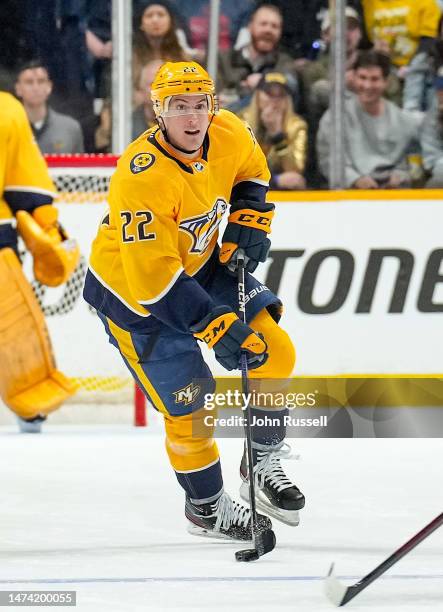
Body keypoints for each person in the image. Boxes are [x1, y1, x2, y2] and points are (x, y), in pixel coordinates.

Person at [83, 61, 305, 540]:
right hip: (136, 295)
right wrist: (215, 324)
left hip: (200, 263)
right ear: (158, 111)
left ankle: (260, 461)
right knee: (194, 405)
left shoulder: (229, 131)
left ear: (214, 106)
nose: (191, 116)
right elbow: (153, 281)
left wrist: (250, 217)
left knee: (276, 351)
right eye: (177, 106)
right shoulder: (140, 175)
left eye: (199, 104)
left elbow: (253, 172)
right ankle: (205, 507)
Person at [0, 92, 79, 433]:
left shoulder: (6, 111)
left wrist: (48, 230)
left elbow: (25, 186)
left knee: (16, 334)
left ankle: (30, 404)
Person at [317, 50, 421, 189]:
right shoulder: (334, 117)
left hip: (394, 194)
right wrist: (355, 179)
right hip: (349, 194)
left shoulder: (403, 120)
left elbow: (412, 162)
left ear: (386, 82)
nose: (367, 85)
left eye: (374, 79)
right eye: (362, 77)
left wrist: (400, 175)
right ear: (353, 77)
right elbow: (328, 161)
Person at [218, 4, 299, 108]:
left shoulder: (284, 62)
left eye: (274, 26)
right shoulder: (225, 60)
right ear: (250, 26)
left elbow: (289, 89)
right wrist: (264, 89)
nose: (268, 30)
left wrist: (261, 81)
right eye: (263, 24)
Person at [239, 71, 307, 190]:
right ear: (258, 96)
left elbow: (294, 173)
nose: (275, 100)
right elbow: (238, 168)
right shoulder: (241, 122)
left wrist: (277, 134)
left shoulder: (296, 125)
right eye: (269, 94)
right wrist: (275, 180)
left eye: (281, 95)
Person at [15, 61, 85, 154]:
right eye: (29, 82)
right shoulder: (6, 128)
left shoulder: (70, 128)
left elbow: (79, 167)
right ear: (18, 88)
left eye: (41, 81)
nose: (36, 88)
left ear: (49, 86)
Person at [133, 0, 190, 102]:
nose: (155, 20)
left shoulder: (181, 57)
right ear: (141, 24)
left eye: (161, 15)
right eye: (149, 16)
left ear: (170, 21)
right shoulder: (130, 56)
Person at [132, 59, 164, 138]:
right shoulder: (128, 126)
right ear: (141, 90)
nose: (158, 89)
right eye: (152, 84)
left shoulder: (185, 122)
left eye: (163, 83)